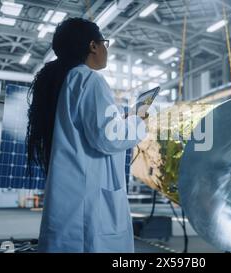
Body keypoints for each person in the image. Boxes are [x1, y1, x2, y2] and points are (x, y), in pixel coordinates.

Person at [26, 18, 148, 252]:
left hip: (71, 199)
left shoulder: (64, 79)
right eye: (105, 44)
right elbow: (107, 137)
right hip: (87, 205)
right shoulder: (88, 79)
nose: (105, 50)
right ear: (93, 45)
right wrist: (137, 121)